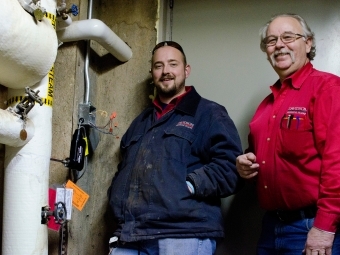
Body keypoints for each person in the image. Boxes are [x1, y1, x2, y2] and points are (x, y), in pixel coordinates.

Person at [107, 41, 243, 255]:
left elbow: (230, 168)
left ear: (186, 70)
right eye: (159, 66)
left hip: (183, 235)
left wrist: (189, 185)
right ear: (152, 72)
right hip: (131, 236)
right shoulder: (140, 122)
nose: (166, 71)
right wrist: (116, 200)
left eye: (173, 64)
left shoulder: (209, 113)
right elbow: (123, 170)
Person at [236, 13, 340, 255]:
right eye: (271, 40)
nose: (279, 45)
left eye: (288, 37)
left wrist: (324, 228)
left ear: (309, 43)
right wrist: (246, 166)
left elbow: (337, 162)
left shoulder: (328, 89)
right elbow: (265, 159)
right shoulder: (266, 106)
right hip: (272, 226)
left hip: (311, 227)